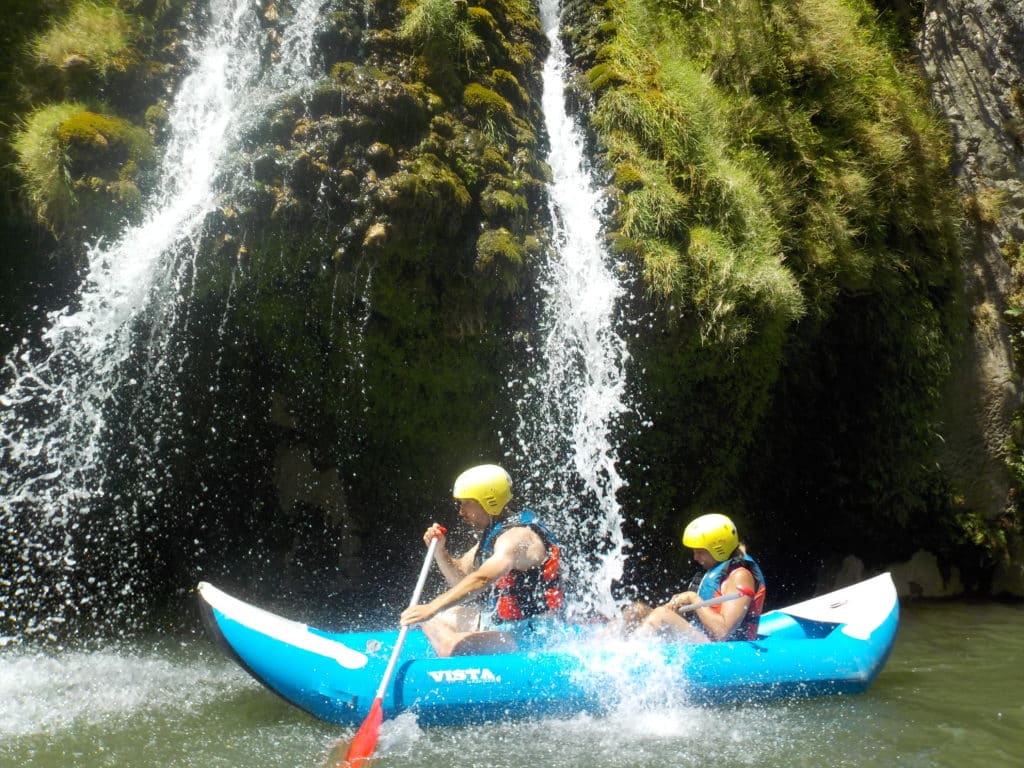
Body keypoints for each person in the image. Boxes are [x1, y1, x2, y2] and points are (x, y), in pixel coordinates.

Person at [399, 463, 564, 657]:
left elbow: (482, 579)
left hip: (535, 634)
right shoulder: (496, 533)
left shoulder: (516, 539)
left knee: (452, 645)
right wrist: (440, 551)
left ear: (488, 501)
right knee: (434, 621)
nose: (461, 511)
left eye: (466, 503)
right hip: (508, 625)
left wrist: (433, 606)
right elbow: (460, 578)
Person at [635, 512, 766, 642]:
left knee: (661, 616)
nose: (695, 557)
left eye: (700, 552)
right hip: (705, 638)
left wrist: (693, 599)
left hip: (727, 649)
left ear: (719, 549)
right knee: (636, 611)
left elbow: (722, 632)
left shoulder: (740, 576)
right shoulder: (719, 570)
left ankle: (629, 659)